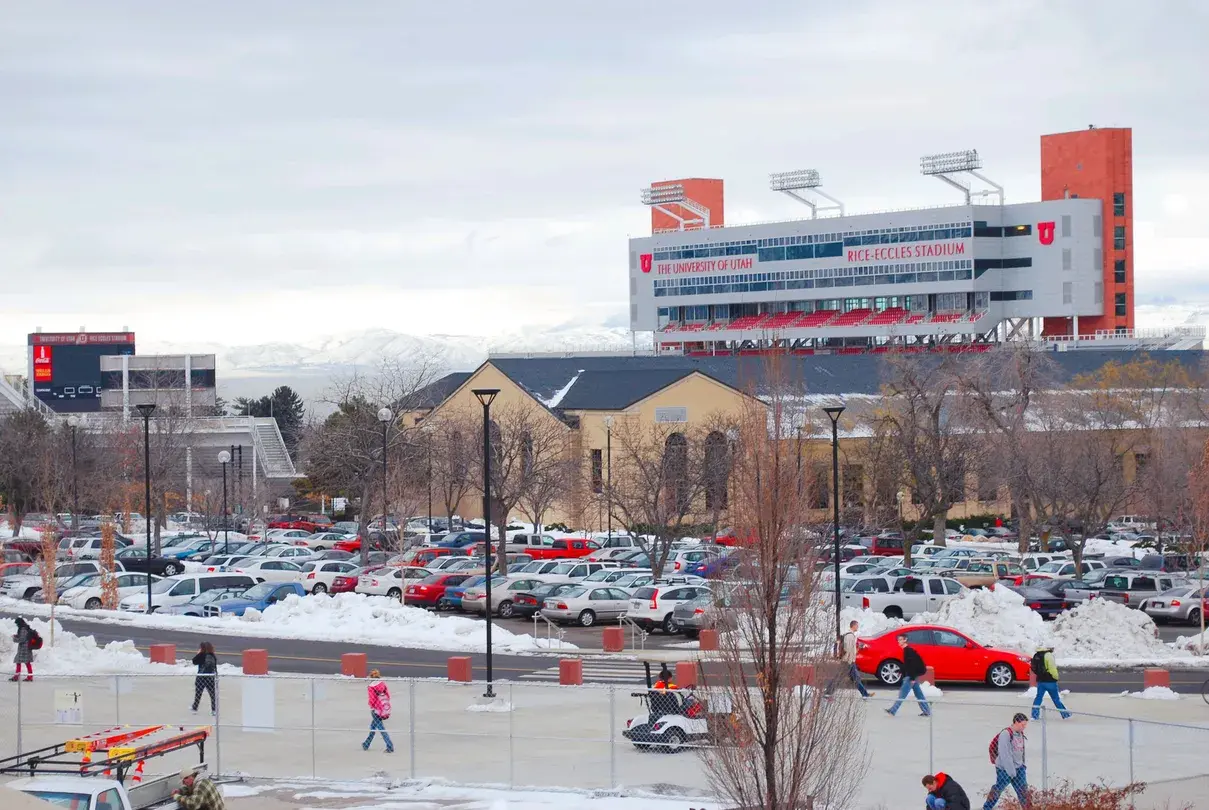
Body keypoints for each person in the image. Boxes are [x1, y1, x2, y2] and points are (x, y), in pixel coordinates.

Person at [984, 713, 1029, 810]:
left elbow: (1021, 751)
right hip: (1004, 770)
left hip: (1019, 769)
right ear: (1016, 722)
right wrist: (1011, 771)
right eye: (1023, 725)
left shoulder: (1020, 734)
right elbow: (1005, 754)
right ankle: (987, 807)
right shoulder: (1006, 734)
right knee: (998, 789)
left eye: (1025, 725)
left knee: (1024, 793)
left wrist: (1023, 764)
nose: (1024, 727)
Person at [885, 634, 931, 717]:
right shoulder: (907, 650)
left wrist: (912, 678)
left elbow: (912, 665)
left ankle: (893, 710)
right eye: (898, 639)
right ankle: (927, 711)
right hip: (913, 675)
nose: (898, 641)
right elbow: (907, 664)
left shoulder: (908, 651)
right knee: (919, 694)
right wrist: (901, 671)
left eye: (900, 639)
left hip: (911, 676)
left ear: (905, 640)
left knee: (902, 694)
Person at [1029, 646, 1071, 720]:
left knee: (1038, 698)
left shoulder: (1036, 655)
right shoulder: (1048, 655)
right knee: (1056, 699)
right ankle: (1065, 715)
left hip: (1040, 681)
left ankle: (1034, 716)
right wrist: (1056, 677)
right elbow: (1052, 668)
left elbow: (1033, 668)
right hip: (1050, 681)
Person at [362, 669, 394, 753]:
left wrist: (372, 707)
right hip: (382, 708)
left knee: (381, 728)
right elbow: (388, 695)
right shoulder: (382, 684)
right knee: (373, 727)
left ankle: (389, 746)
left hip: (376, 710)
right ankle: (366, 744)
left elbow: (372, 699)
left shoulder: (371, 687)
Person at [841, 620, 870, 698]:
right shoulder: (850, 636)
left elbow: (851, 649)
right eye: (857, 625)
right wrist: (849, 660)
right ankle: (828, 692)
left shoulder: (851, 635)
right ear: (853, 626)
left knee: (856, 678)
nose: (857, 627)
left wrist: (858, 648)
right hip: (848, 661)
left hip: (851, 661)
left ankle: (865, 694)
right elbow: (847, 648)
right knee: (839, 677)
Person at [191, 641, 218, 715]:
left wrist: (198, 653)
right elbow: (215, 666)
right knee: (212, 694)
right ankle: (214, 710)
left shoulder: (201, 655)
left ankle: (195, 708)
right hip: (210, 677)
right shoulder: (212, 655)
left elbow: (194, 661)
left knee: (198, 693)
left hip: (201, 677)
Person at [10, 617, 35, 682]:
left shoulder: (23, 629)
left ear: (19, 623)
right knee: (25, 662)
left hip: (24, 649)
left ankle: (21, 677)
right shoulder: (24, 627)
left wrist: (14, 639)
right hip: (24, 648)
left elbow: (22, 639)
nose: (17, 625)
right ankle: (29, 676)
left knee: (21, 662)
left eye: (17, 624)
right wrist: (17, 635)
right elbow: (23, 637)